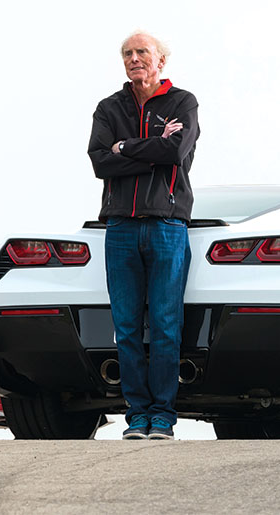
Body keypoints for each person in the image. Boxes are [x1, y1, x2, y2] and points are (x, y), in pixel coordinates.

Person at [87, 31, 200, 440]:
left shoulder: (183, 103)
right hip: (119, 227)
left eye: (142, 52)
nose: (134, 59)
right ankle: (137, 415)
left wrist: (124, 148)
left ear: (161, 61)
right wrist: (146, 146)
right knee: (127, 326)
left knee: (167, 324)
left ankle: (163, 417)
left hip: (168, 226)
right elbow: (100, 162)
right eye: (127, 54)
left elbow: (173, 154)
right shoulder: (108, 107)